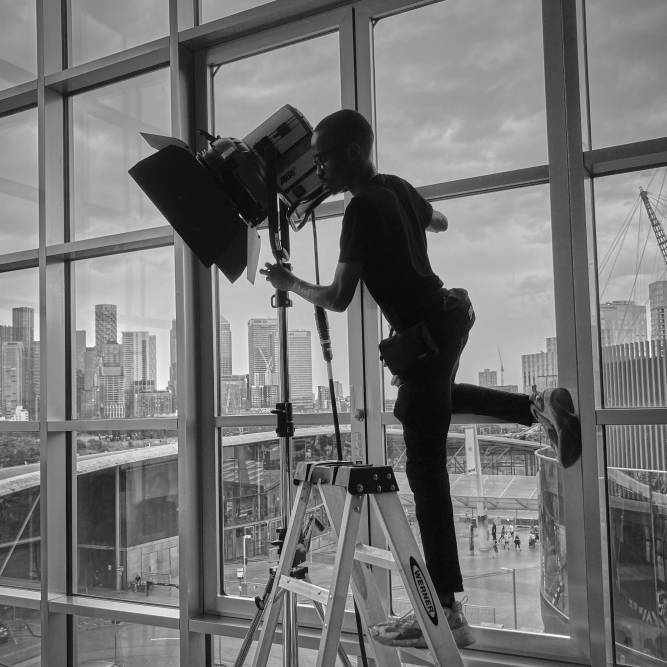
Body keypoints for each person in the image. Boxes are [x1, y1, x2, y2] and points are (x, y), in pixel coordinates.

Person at [260, 109, 582, 650]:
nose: (317, 170)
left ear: (354, 154)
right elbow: (440, 222)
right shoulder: (396, 188)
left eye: (323, 158)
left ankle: (447, 610)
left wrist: (290, 282)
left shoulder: (361, 207)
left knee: (426, 466)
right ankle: (538, 405)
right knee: (432, 405)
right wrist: (420, 225)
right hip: (446, 318)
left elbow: (338, 298)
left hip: (427, 336)